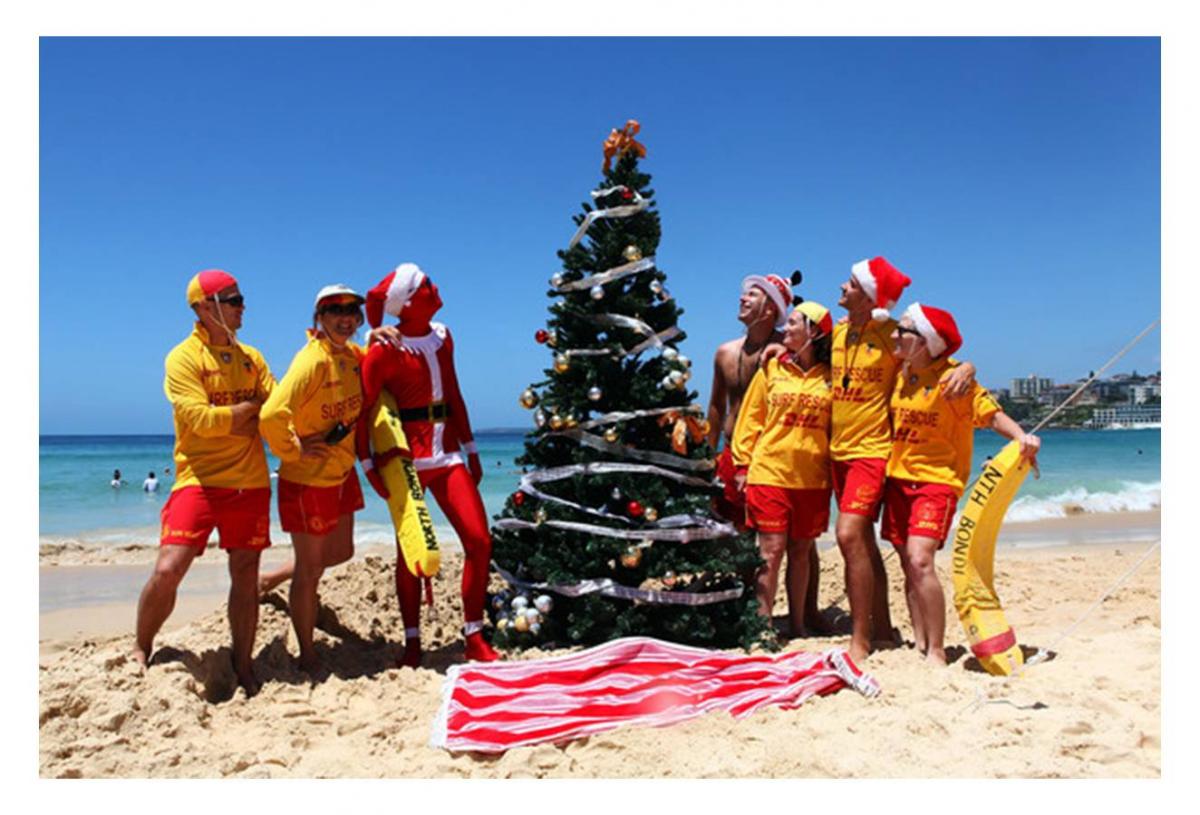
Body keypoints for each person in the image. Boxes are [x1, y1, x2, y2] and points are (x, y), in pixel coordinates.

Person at [133, 269, 274, 696]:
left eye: (240, 298)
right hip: (197, 478)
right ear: (204, 306)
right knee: (169, 567)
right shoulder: (183, 358)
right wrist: (250, 408)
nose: (242, 306)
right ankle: (141, 645)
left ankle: (244, 663)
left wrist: (252, 416)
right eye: (233, 299)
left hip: (249, 481)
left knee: (245, 573)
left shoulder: (253, 357)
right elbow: (200, 422)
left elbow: (276, 409)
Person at [356, 263, 499, 667]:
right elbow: (362, 413)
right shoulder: (383, 350)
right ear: (409, 301)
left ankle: (474, 635)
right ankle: (412, 642)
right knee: (412, 553)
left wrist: (471, 447)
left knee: (479, 542)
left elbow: (453, 391)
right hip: (407, 462)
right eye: (427, 286)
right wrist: (368, 466)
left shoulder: (443, 336)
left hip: (448, 453)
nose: (436, 289)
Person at [885, 303, 1039, 665]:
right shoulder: (899, 369)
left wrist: (1021, 437)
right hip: (897, 480)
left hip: (936, 483)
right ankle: (921, 643)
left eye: (904, 330)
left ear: (924, 342)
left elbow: (990, 414)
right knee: (908, 565)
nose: (895, 334)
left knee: (921, 561)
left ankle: (937, 650)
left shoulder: (954, 380)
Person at [256, 285, 369, 672]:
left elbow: (381, 362)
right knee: (310, 570)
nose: (346, 318)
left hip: (341, 472)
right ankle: (307, 654)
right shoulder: (312, 361)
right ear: (318, 317)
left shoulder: (352, 355)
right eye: (335, 310)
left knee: (340, 553)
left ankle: (268, 579)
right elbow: (271, 416)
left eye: (353, 310)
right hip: (308, 481)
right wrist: (295, 450)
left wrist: (387, 337)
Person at [707, 275, 827, 632]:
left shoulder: (788, 348)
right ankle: (750, 611)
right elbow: (715, 406)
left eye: (752, 294)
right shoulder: (725, 352)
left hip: (779, 458)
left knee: (800, 544)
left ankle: (808, 612)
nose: (742, 298)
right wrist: (705, 458)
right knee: (737, 537)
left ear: (771, 307)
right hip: (734, 454)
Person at [731, 301, 835, 638]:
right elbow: (751, 419)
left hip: (812, 479)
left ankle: (799, 624)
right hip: (769, 473)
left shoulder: (833, 377)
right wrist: (742, 465)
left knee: (801, 552)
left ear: (814, 331)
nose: (785, 329)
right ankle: (763, 624)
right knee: (771, 551)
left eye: (793, 323)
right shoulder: (772, 369)